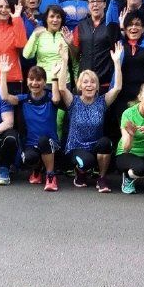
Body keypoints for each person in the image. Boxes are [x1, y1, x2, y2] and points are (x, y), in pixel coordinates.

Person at [55, 42, 124, 192]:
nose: (89, 85)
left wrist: (117, 62)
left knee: (106, 143)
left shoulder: (102, 102)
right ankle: (80, 173)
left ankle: (102, 178)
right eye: (85, 82)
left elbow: (117, 88)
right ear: (80, 86)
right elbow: (62, 88)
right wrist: (65, 60)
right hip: (76, 148)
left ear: (97, 87)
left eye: (93, 82)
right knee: (87, 162)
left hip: (95, 147)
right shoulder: (73, 101)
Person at [0, 57, 62, 191]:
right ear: (27, 81)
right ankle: (37, 170)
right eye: (31, 79)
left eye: (38, 80)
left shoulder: (50, 97)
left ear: (44, 82)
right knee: (28, 158)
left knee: (43, 141)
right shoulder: (23, 99)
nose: (34, 83)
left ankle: (50, 176)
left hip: (50, 143)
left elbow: (57, 99)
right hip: (30, 144)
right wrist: (3, 74)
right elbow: (5, 97)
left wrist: (55, 77)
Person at [72, 0, 120, 88]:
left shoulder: (111, 25)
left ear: (104, 4)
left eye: (98, 1)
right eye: (92, 1)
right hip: (85, 82)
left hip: (105, 82)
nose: (95, 4)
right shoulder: (81, 26)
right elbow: (76, 54)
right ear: (88, 5)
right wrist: (70, 43)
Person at [22, 4, 70, 84]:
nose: (55, 20)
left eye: (58, 17)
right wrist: (35, 36)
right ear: (46, 19)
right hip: (44, 82)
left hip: (63, 82)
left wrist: (70, 43)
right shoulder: (39, 34)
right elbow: (27, 55)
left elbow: (75, 60)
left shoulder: (66, 34)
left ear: (62, 20)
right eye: (52, 16)